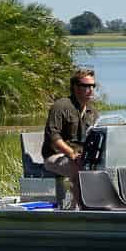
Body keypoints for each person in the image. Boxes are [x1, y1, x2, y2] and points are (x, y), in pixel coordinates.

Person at [42, 68, 98, 205]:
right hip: (56, 156)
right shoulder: (61, 106)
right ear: (75, 87)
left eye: (93, 86)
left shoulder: (92, 112)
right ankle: (82, 208)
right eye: (86, 86)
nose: (90, 90)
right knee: (79, 169)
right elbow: (54, 137)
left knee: (103, 167)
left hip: (81, 156)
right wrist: (72, 154)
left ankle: (97, 204)